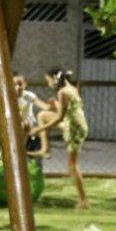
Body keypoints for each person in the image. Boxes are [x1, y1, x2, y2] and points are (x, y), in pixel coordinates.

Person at [29, 68, 90, 210]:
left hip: (74, 128)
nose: (49, 84)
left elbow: (59, 118)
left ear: (55, 79)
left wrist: (39, 130)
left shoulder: (62, 92)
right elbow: (70, 110)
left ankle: (83, 201)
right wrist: (56, 105)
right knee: (42, 115)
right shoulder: (72, 89)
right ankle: (45, 149)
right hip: (76, 124)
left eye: (49, 81)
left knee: (72, 166)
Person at [15, 74, 42, 154]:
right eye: (16, 84)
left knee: (25, 124)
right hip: (15, 121)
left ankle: (21, 149)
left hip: (26, 121)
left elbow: (41, 104)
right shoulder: (9, 96)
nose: (18, 87)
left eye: (20, 84)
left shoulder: (28, 95)